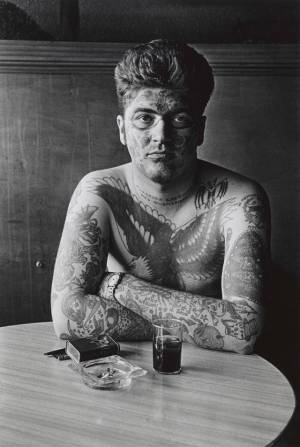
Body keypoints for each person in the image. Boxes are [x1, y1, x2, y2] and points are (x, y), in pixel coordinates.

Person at [51, 39, 270, 354]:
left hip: (218, 374)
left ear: (199, 131)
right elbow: (67, 319)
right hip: (129, 370)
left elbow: (245, 331)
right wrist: (199, 325)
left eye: (179, 119)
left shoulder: (239, 200)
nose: (161, 136)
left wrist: (117, 286)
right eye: (144, 118)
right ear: (123, 129)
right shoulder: (98, 191)